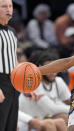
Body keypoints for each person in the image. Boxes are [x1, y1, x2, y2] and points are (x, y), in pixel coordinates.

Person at [0, 0, 20, 130]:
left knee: (11, 125)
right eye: (4, 6)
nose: (8, 9)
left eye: (10, 6)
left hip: (13, 82)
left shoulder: (12, 32)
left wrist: (24, 84)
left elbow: (14, 60)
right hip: (0, 81)